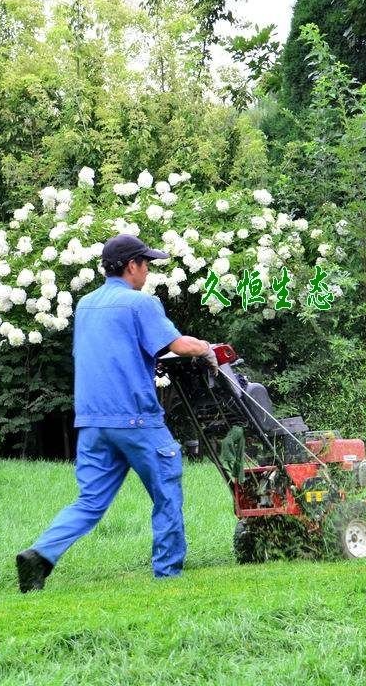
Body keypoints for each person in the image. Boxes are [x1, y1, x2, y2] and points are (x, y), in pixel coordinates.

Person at [15, 234, 216, 591]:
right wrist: (206, 348)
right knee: (166, 489)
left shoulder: (86, 305)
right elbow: (179, 345)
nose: (149, 271)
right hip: (136, 419)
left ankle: (40, 556)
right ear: (131, 266)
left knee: (90, 501)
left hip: (92, 422)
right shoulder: (141, 304)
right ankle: (168, 573)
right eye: (146, 264)